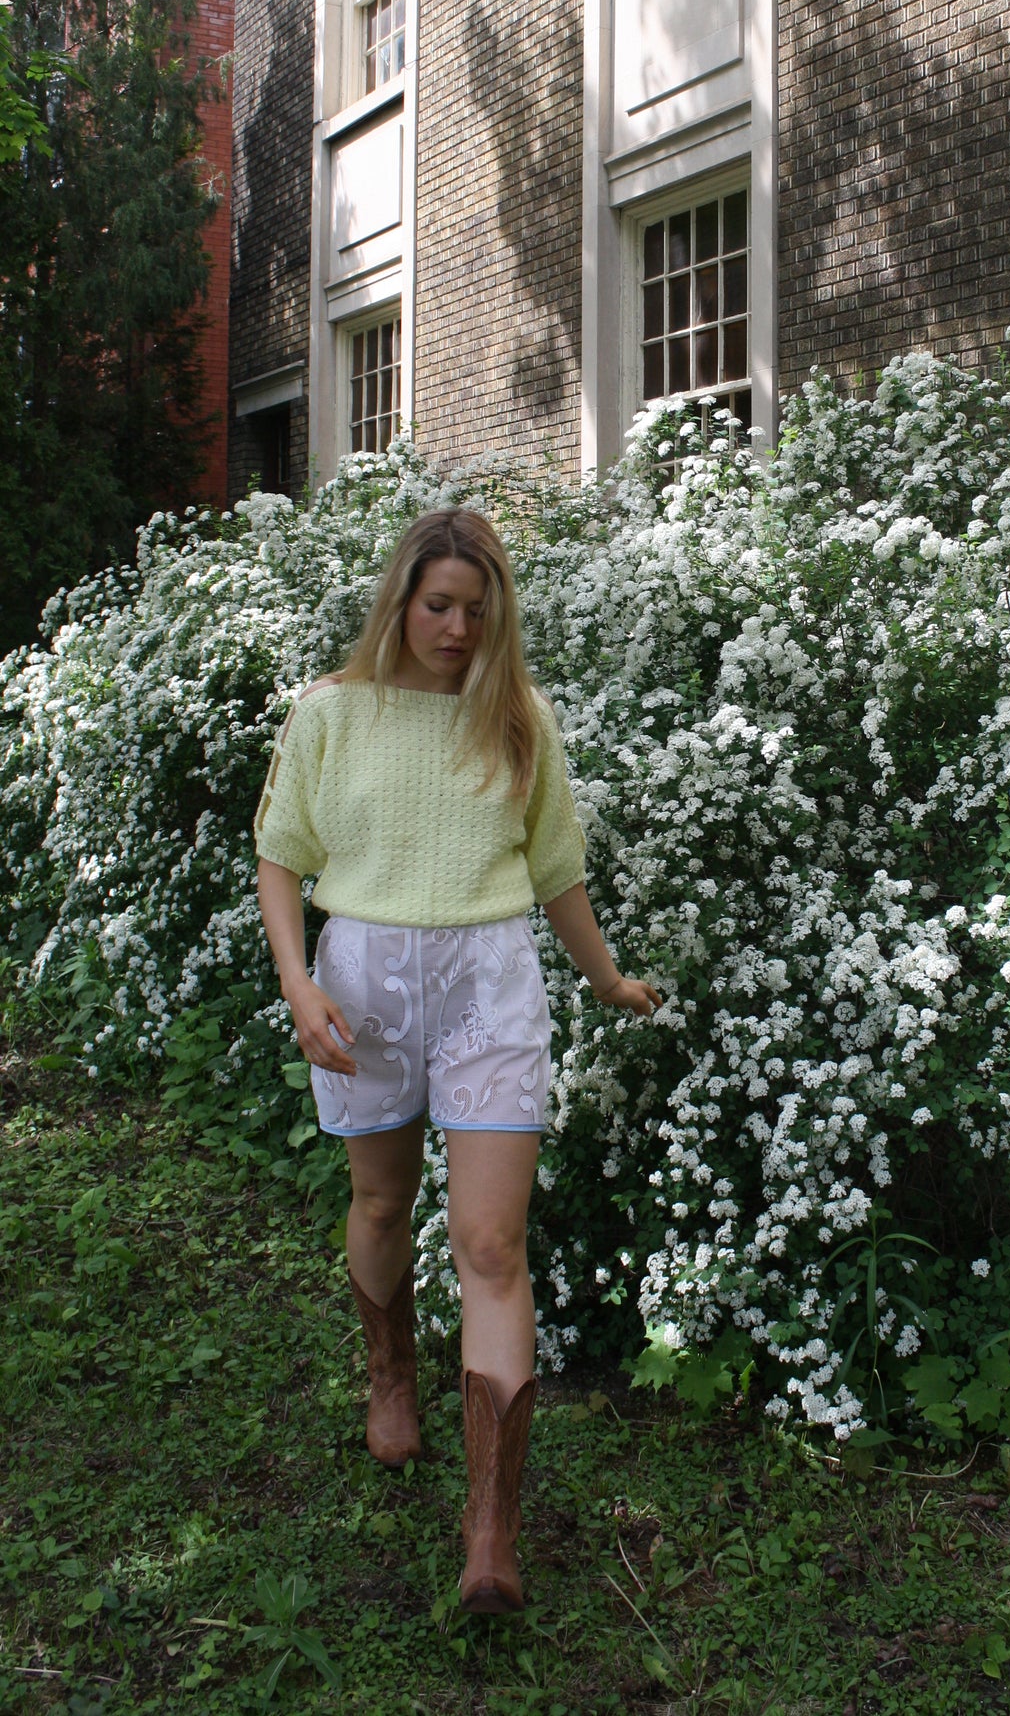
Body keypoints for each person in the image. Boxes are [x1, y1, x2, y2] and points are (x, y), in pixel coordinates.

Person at [254, 507, 660, 1615]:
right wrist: (299, 981)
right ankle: (391, 1368)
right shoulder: (329, 714)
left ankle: (490, 1527)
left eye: (477, 611)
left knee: (491, 1239)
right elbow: (281, 854)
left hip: (490, 982)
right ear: (400, 601)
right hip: (363, 984)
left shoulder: (519, 719)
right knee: (381, 1205)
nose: (456, 627)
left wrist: (608, 978)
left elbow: (556, 871)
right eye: (438, 604)